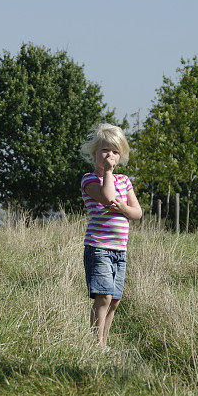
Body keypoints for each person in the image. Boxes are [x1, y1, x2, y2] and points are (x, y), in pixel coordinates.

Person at [79, 123, 142, 350]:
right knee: (103, 297)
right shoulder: (89, 180)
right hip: (99, 247)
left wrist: (123, 208)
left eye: (115, 152)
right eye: (105, 150)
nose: (110, 155)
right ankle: (96, 344)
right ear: (95, 153)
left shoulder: (125, 181)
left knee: (114, 300)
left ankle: (104, 342)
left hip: (119, 249)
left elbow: (137, 212)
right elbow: (106, 198)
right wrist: (107, 171)